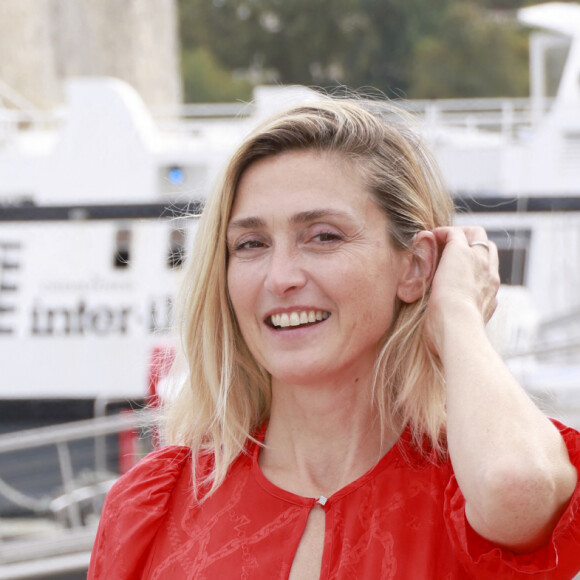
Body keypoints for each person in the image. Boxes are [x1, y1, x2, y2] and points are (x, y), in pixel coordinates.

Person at [88, 98, 580, 579]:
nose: (279, 278)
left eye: (323, 236)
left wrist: (457, 313)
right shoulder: (149, 510)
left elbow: (519, 489)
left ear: (415, 266)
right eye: (251, 244)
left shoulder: (470, 487)